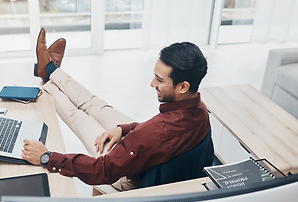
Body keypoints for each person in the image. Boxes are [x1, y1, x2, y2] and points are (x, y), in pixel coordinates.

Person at [22, 28, 210, 191]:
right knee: (94, 103)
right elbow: (159, 132)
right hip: (147, 152)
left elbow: (101, 170)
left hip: (128, 178)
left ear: (183, 87)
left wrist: (47, 157)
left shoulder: (158, 132)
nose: (152, 83)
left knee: (78, 117)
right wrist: (124, 129)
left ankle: (48, 81)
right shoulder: (200, 109)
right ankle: (51, 70)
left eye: (160, 80)